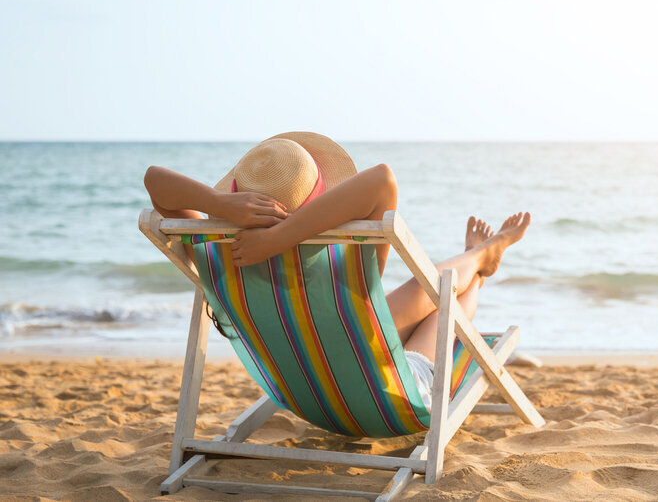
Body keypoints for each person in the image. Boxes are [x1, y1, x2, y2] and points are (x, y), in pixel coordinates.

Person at [144, 132, 530, 407]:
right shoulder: (337, 269)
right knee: (444, 295)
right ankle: (481, 262)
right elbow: (382, 179)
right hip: (383, 391)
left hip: (305, 390)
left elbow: (155, 182)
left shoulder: (218, 258)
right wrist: (283, 238)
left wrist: (221, 205)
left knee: (424, 290)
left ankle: (481, 255)